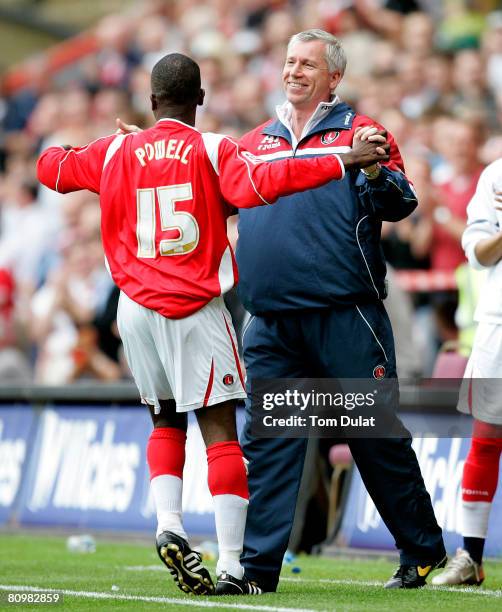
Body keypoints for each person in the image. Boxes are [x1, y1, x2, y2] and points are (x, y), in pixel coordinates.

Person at [37, 52, 388, 597]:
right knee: (221, 428)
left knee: (164, 419)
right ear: (199, 100)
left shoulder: (115, 151)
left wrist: (115, 148)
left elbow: (50, 167)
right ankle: (230, 566)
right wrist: (342, 158)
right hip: (194, 308)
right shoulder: (213, 149)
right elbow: (268, 182)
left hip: (135, 311)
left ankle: (169, 525)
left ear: (151, 102)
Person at [235, 29, 446, 591]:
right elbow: (216, 188)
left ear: (334, 76)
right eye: (288, 61)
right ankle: (256, 572)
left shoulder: (363, 132)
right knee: (271, 443)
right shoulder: (256, 140)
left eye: (307, 63)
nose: (293, 71)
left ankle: (423, 553)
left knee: (373, 435)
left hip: (343, 313)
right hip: (272, 320)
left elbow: (401, 203)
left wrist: (373, 171)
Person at [432, 160, 502, 586]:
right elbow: (475, 252)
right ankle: (470, 558)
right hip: (499, 320)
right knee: (486, 436)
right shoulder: (495, 173)